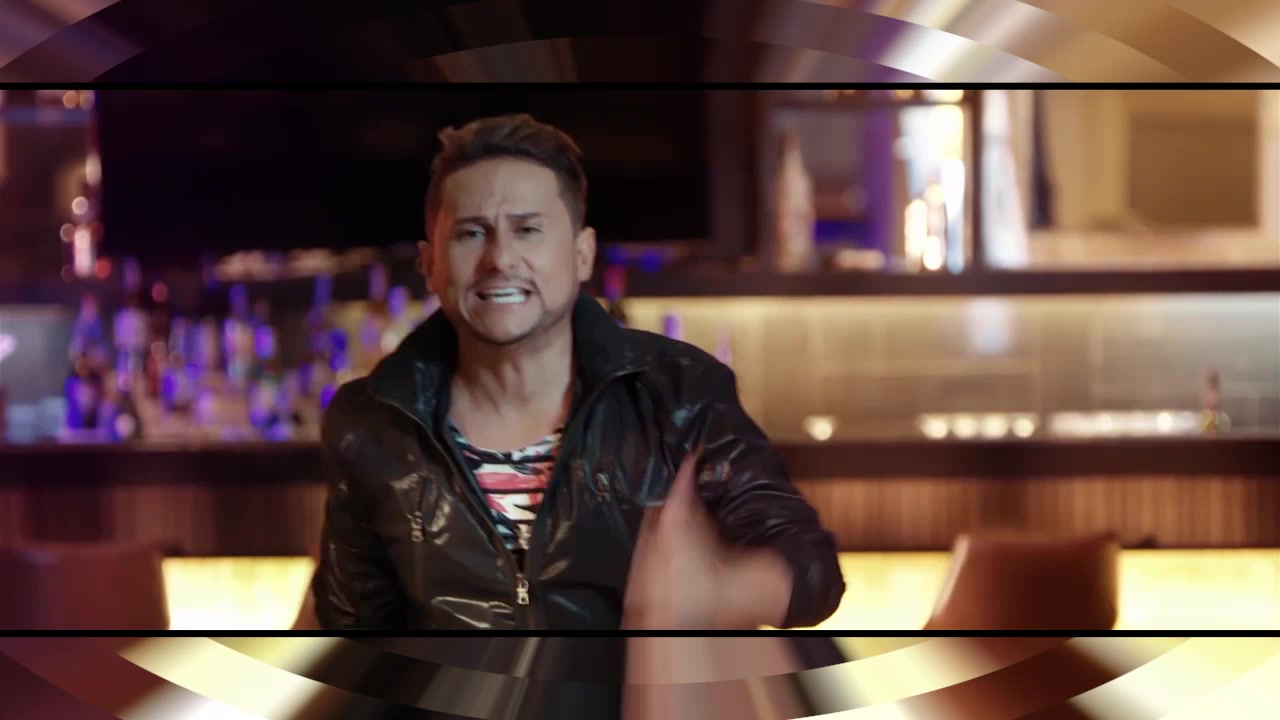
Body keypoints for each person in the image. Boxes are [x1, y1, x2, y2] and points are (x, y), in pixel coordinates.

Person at [312, 113, 845, 630]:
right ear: (430, 264)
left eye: (528, 230)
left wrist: (719, 593)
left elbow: (813, 571)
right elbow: (351, 625)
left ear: (582, 254)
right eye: (471, 234)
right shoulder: (369, 422)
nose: (500, 259)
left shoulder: (679, 393)